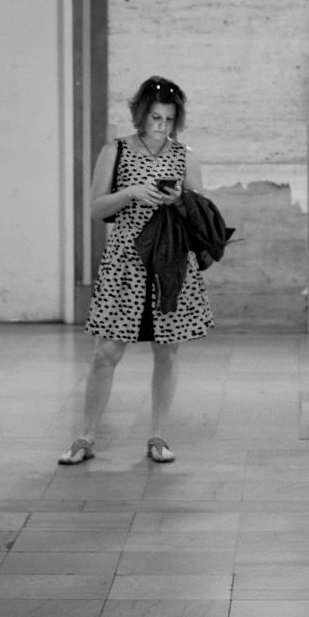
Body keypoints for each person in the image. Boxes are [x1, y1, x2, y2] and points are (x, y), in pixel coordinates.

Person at [59, 76, 211, 466]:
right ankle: (86, 436)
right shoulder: (116, 150)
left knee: (168, 352)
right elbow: (96, 209)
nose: (160, 126)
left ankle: (158, 435)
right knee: (105, 354)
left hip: (170, 262)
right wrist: (131, 193)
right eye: (154, 117)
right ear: (140, 114)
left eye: (168, 119)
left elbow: (202, 213)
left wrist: (179, 199)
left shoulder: (184, 155)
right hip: (125, 263)